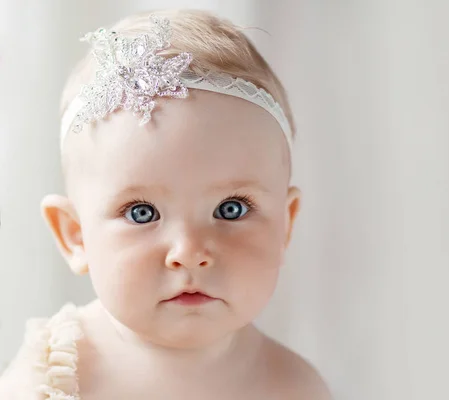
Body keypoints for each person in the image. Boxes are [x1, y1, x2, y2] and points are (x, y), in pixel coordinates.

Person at [0, 9, 332, 399]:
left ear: (285, 225)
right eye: (142, 213)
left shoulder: (292, 387)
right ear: (75, 235)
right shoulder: (52, 377)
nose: (189, 252)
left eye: (231, 209)